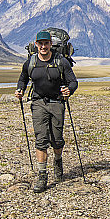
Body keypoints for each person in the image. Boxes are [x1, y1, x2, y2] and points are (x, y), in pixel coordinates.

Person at [16, 30, 78, 193]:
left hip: (57, 103)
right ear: (36, 45)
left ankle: (58, 160)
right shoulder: (30, 62)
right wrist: (20, 89)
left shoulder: (61, 61)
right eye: (40, 43)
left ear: (51, 44)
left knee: (57, 140)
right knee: (41, 139)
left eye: (46, 43)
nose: (43, 46)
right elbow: (23, 78)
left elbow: (73, 82)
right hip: (38, 103)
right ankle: (42, 175)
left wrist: (69, 91)